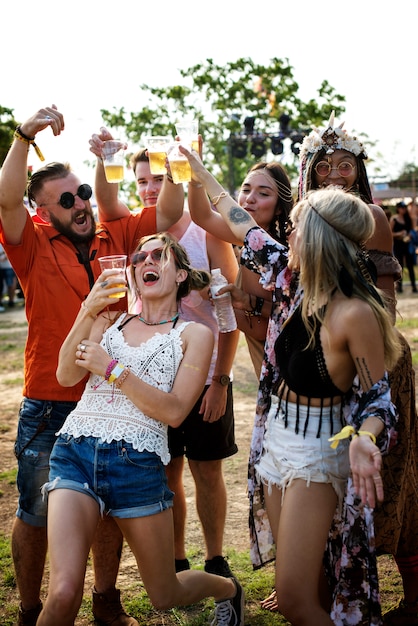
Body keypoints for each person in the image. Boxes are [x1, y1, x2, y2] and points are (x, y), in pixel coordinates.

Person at [180, 145, 402, 624]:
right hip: (275, 438)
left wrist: (365, 438)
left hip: (317, 450)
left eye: (298, 225)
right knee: (306, 588)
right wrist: (199, 173)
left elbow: (378, 399)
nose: (288, 232)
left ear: (320, 237)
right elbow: (238, 219)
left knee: (296, 599)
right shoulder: (288, 275)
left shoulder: (356, 312)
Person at [0, 105, 184, 626]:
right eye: (66, 199)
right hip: (52, 399)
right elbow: (6, 197)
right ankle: (32, 609)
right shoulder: (30, 245)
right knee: (35, 514)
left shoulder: (116, 236)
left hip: (110, 400)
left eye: (82, 193)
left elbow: (166, 216)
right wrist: (23, 135)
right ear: (41, 210)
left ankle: (106, 599)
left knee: (108, 512)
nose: (81, 203)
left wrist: (170, 163)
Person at [37, 232, 244, 626]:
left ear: (181, 274)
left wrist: (111, 370)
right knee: (63, 592)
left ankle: (229, 590)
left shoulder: (194, 335)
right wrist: (86, 310)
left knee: (165, 593)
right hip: (75, 453)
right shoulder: (109, 321)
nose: (145, 261)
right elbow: (65, 375)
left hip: (137, 463)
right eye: (139, 257)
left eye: (157, 255)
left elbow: (175, 411)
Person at [91, 132, 240, 577]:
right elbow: (105, 201)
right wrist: (105, 157)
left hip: (207, 376)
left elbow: (227, 315)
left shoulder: (206, 232)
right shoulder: (138, 229)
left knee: (207, 472)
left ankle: (215, 559)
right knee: (167, 472)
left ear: (173, 177)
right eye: (141, 182)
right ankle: (177, 559)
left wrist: (221, 382)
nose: (149, 189)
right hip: (154, 376)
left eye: (157, 178)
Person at [295, 114, 418, 625]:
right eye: (324, 166)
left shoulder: (369, 215)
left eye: (346, 164)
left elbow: (385, 299)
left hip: (375, 363)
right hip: (322, 363)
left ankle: (413, 596)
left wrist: (372, 362)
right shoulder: (303, 216)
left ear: (360, 170)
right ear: (309, 172)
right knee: (326, 485)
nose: (335, 174)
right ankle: (313, 588)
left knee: (395, 479)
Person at [187, 160, 293, 379]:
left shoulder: (276, 252)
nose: (250, 199)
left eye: (263, 194)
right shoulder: (245, 241)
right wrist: (194, 179)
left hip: (288, 370)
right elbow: (201, 216)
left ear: (279, 207)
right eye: (246, 189)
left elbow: (266, 326)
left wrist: (226, 304)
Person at [390, 201, 417, 293]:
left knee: (410, 266)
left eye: (404, 208)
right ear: (398, 208)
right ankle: (399, 286)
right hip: (398, 245)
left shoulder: (408, 219)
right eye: (402, 208)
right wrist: (399, 234)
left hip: (407, 245)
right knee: (399, 265)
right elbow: (390, 233)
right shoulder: (394, 219)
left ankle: (414, 286)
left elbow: (412, 230)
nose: (404, 209)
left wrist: (409, 235)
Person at [0, 243, 18, 308]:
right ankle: (2, 302)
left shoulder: (5, 239)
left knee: (10, 284)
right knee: (1, 286)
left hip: (9, 266)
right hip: (1, 267)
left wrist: (4, 258)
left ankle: (11, 301)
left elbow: (11, 250)